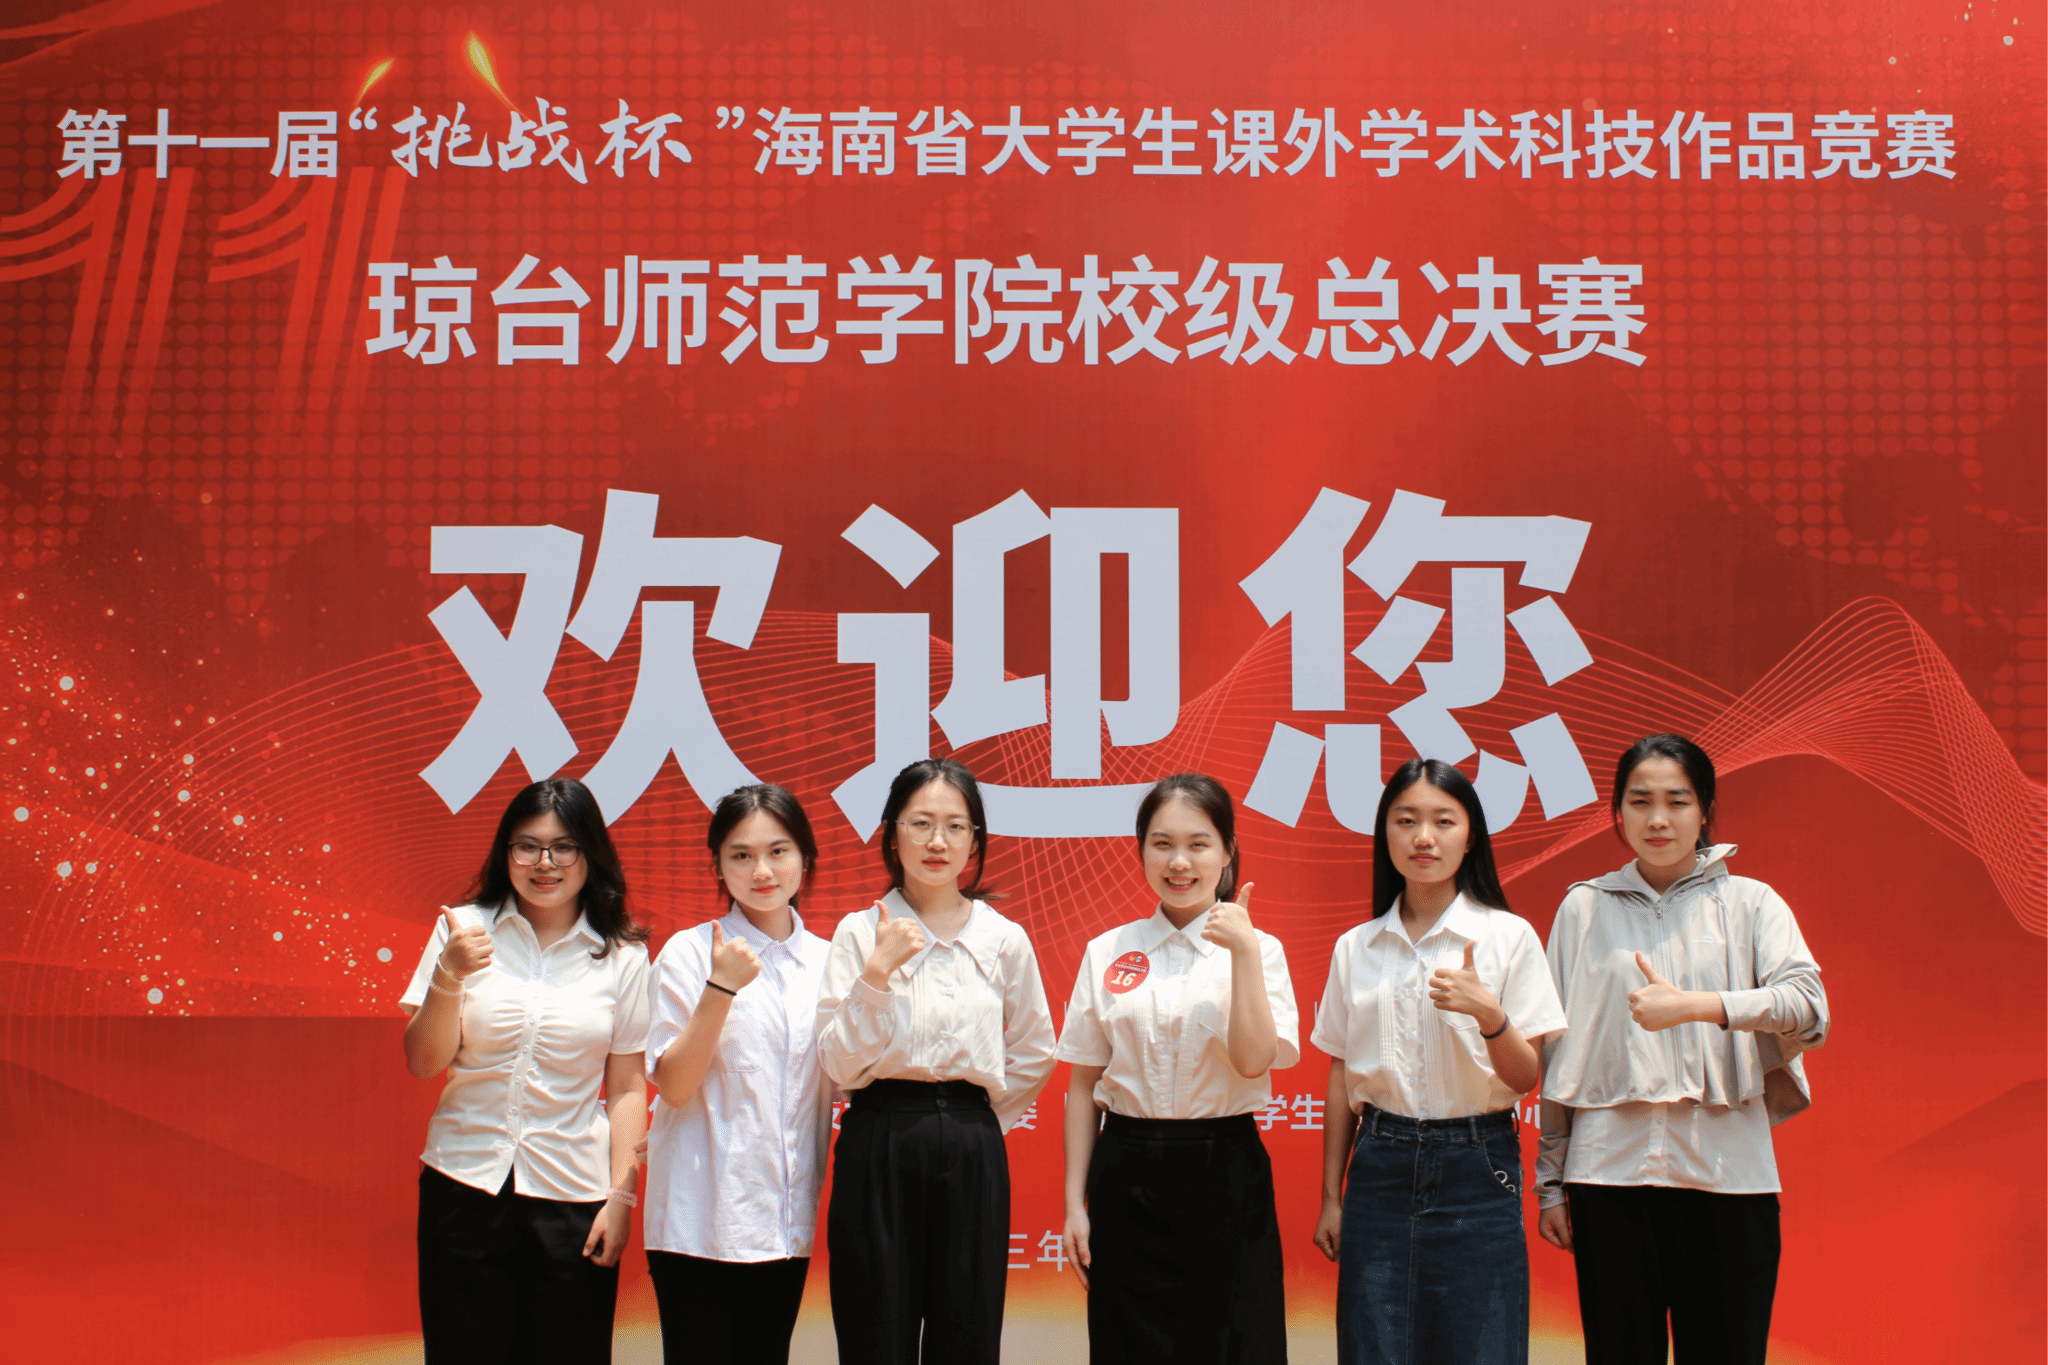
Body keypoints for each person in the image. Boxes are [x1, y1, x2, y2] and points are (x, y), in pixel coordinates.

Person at [1535, 734, 1828, 1365]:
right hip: (1607, 1175)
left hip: (1728, 1177)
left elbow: (1810, 1008)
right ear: (1617, 812)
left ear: (1706, 810)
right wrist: (1551, 1182)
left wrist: (1701, 1005)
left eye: (1677, 801)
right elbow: (1555, 1052)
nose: (1658, 819)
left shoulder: (1751, 903)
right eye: (1640, 802)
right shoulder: (1582, 908)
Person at [1310, 758, 1567, 1365]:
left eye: (1443, 821)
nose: (1424, 837)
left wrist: (1490, 1016)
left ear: (1470, 835)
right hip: (1379, 1167)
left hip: (1477, 1166)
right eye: (1406, 820)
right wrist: (1331, 1197)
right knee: (1374, 1349)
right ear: (1386, 833)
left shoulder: (1508, 938)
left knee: (1483, 1350)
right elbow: (1342, 1074)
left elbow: (1525, 1077)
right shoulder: (1356, 947)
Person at [399, 777, 650, 1365]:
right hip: (464, 1184)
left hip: (573, 1197)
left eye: (564, 847)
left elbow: (627, 1086)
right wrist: (449, 975)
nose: (545, 863)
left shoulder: (623, 955)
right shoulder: (463, 930)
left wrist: (621, 1197)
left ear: (591, 854)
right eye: (527, 846)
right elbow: (423, 1062)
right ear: (504, 852)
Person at [816, 758, 1058, 1365]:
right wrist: (877, 972)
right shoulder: (859, 933)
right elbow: (838, 1064)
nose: (937, 842)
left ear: (975, 840)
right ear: (892, 833)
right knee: (876, 1329)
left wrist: (980, 1123)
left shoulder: (1002, 938)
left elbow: (1035, 1049)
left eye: (955, 826)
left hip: (973, 1144)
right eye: (920, 823)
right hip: (879, 1135)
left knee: (967, 1331)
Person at [1057, 773, 1299, 1365]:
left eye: (1198, 844)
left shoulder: (1260, 950)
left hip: (1226, 1172)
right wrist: (1073, 1204)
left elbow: (1253, 1061)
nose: (1179, 862)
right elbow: (1083, 1085)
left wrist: (1243, 952)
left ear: (1227, 852)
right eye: (1162, 844)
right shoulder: (1108, 950)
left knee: (1234, 1345)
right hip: (1128, 1176)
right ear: (1141, 850)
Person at [643, 784, 833, 1365]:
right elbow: (674, 1085)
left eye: (778, 851)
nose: (762, 871)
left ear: (805, 858)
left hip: (785, 1222)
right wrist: (720, 986)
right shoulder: (688, 953)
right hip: (698, 1221)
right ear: (718, 866)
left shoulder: (830, 962)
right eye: (741, 855)